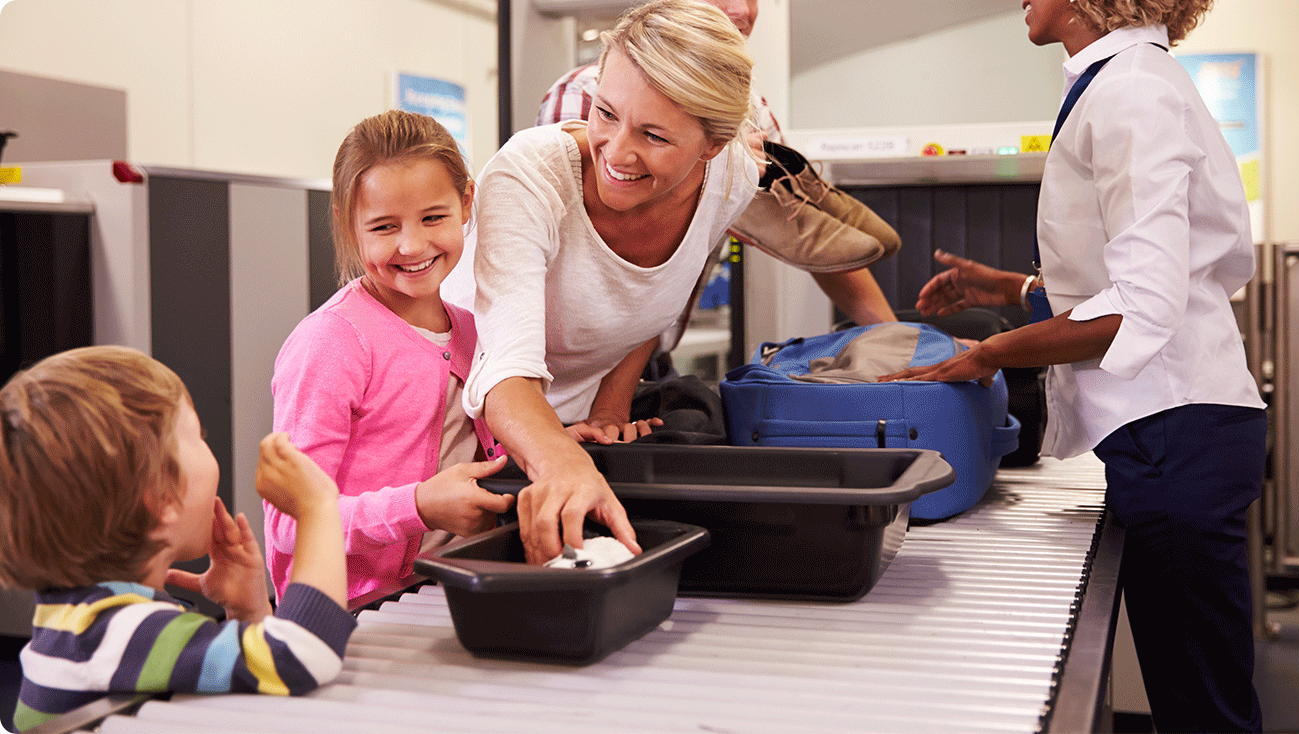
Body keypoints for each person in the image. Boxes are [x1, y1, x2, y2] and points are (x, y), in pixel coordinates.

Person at [881, 1, 1265, 731]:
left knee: (1202, 712)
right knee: (1195, 694)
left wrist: (984, 354)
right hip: (1176, 427)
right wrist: (1012, 291)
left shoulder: (1132, 89)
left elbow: (1140, 306)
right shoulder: (1120, 79)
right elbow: (1143, 279)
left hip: (1175, 429)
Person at [441, 0, 768, 563]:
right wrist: (565, 465)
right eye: (606, 113)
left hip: (566, 438)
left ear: (710, 145)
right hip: (454, 432)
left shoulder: (732, 176)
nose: (616, 153)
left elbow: (655, 291)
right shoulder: (531, 177)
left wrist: (611, 406)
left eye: (655, 136)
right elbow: (505, 374)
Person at [0, 346, 355, 731]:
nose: (207, 441)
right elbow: (301, 658)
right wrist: (318, 509)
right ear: (163, 497)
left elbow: (247, 684)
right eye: (197, 434)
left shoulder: (81, 618)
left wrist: (248, 612)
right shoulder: (115, 633)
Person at [268, 110, 515, 602]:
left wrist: (559, 438)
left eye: (433, 217)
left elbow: (470, 448)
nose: (412, 244)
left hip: (449, 592)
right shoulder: (331, 343)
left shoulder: (469, 329)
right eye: (383, 226)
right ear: (345, 222)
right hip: (353, 614)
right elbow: (291, 522)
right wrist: (419, 506)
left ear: (466, 203)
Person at [538, 0, 900, 329]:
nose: (741, 10)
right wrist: (720, 174)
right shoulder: (588, 92)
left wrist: (895, 336)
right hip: (569, 345)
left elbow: (809, 238)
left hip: (649, 343)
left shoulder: (750, 109)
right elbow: (591, 247)